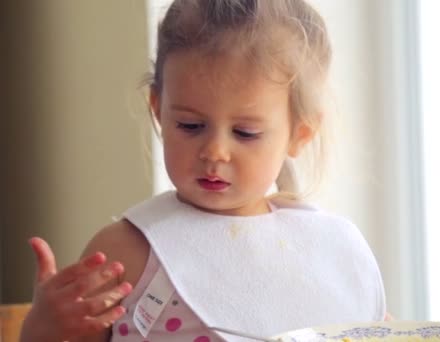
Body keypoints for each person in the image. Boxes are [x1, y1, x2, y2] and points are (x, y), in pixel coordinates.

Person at [20, 0, 387, 341]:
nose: (214, 152)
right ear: (158, 109)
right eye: (190, 126)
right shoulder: (124, 255)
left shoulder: (332, 254)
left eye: (246, 133)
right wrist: (44, 327)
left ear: (300, 133)